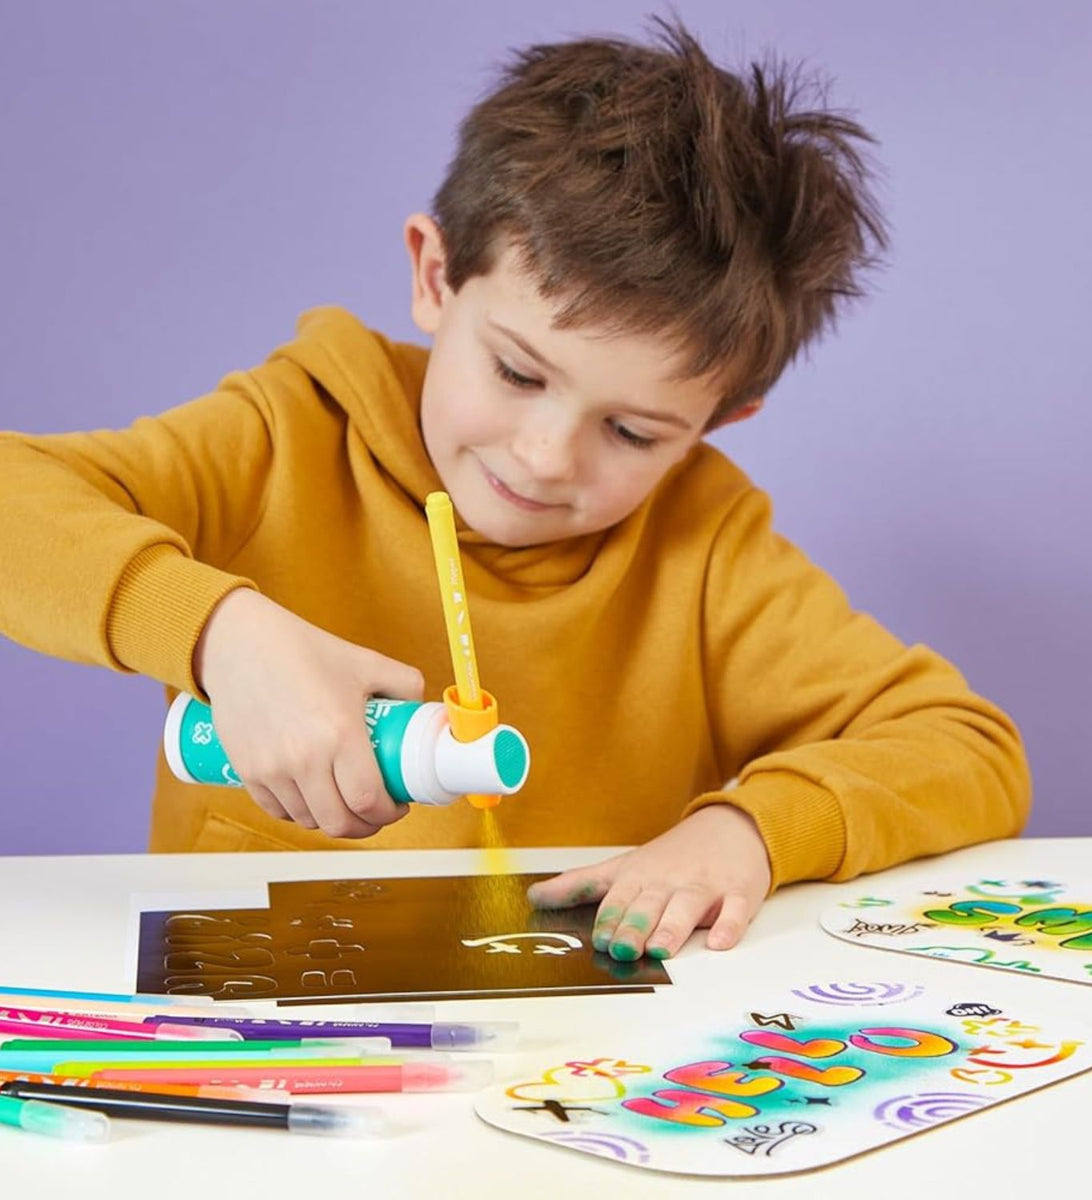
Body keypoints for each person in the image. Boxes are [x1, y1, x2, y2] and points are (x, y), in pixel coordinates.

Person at [0, 20, 1030, 962]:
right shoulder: (285, 436)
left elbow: (967, 748)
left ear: (718, 422)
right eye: (518, 373)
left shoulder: (703, 544)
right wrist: (220, 630)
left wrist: (746, 829)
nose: (545, 458)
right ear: (435, 275)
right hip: (253, 1022)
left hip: (566, 1058)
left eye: (631, 431)